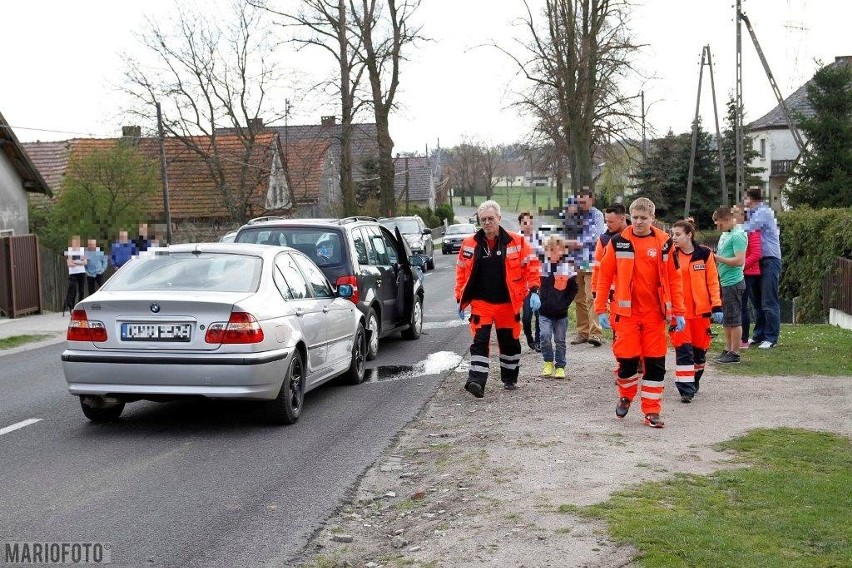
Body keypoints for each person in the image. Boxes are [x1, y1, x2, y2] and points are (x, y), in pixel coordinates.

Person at [594, 197, 685, 428]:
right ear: (629, 218)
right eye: (635, 218)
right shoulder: (618, 242)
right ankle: (625, 395)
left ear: (652, 219)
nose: (639, 222)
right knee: (626, 363)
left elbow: (675, 279)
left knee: (655, 365)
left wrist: (679, 311)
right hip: (626, 316)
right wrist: (599, 307)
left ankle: (652, 412)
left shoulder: (665, 243)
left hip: (654, 315)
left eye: (644, 218)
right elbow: (603, 276)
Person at [455, 200, 541, 398]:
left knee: (509, 343)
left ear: (499, 219)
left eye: (490, 219)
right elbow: (461, 272)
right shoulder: (469, 244)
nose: (487, 222)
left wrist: (535, 290)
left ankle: (510, 378)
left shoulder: (517, 242)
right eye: (483, 219)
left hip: (508, 303)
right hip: (481, 303)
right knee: (480, 340)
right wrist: (460, 297)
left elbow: (532, 266)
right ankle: (476, 381)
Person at [669, 220, 723, 402]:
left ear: (689, 235)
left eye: (677, 234)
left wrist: (717, 305)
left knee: (699, 354)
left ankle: (693, 381)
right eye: (672, 234)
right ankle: (686, 389)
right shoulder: (671, 255)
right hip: (680, 314)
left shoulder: (705, 254)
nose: (673, 238)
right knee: (684, 352)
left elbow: (713, 282)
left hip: (701, 313)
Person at [742, 187, 781, 349]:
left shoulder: (763, 212)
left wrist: (733, 224)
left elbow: (748, 229)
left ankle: (771, 337)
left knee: (768, 300)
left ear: (751, 199)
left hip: (769, 259)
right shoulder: (751, 214)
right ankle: (759, 335)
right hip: (757, 262)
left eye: (745, 198)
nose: (744, 201)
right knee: (756, 300)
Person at [565, 187, 605, 347]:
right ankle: (583, 331)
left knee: (591, 297)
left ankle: (595, 333)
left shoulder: (597, 215)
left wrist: (578, 241)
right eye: (580, 200)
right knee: (579, 298)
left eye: (585, 200)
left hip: (591, 262)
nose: (582, 203)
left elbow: (597, 237)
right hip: (575, 262)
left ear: (591, 200)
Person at [538, 235, 579, 379]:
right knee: (544, 337)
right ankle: (548, 361)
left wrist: (565, 304)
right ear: (546, 251)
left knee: (560, 340)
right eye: (551, 250)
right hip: (544, 312)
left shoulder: (568, 269)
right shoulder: (542, 268)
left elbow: (573, 290)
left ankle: (560, 366)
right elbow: (535, 285)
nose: (554, 253)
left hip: (561, 314)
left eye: (558, 250)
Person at [713, 206, 748, 364]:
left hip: (734, 282)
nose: (718, 228)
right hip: (725, 281)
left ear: (727, 220)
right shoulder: (725, 234)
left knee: (734, 319)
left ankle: (735, 352)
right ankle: (728, 349)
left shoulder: (738, 235)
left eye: (720, 224)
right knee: (728, 319)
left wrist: (717, 258)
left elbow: (739, 261)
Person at [733, 204, 763, 348]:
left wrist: (742, 265)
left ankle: (743, 339)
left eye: (735, 214)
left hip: (748, 272)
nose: (733, 216)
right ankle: (741, 337)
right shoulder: (737, 231)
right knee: (740, 305)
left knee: (743, 305)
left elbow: (756, 253)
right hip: (741, 271)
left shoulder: (751, 230)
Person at [591, 203, 629, 304]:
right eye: (606, 221)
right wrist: (595, 292)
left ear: (622, 219)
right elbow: (597, 268)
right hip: (613, 296)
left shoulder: (636, 235)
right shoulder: (603, 240)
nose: (608, 225)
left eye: (611, 222)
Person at [518, 211, 542, 351]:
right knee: (526, 317)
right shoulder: (515, 241)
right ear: (520, 224)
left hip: (537, 282)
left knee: (539, 313)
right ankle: (529, 338)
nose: (528, 225)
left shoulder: (538, 240)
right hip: (522, 285)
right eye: (525, 223)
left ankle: (538, 341)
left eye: (530, 223)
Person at [64, 235, 87, 315]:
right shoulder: (69, 250)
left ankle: (80, 307)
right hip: (73, 273)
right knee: (73, 290)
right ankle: (72, 307)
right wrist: (79, 262)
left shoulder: (82, 250)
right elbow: (69, 264)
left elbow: (85, 262)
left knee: (81, 290)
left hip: (81, 272)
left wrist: (75, 262)